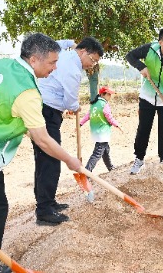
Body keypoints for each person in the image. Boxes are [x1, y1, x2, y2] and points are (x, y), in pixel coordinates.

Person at [0, 33, 82, 273]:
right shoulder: (27, 93)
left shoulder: (0, 65)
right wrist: (70, 159)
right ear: (33, 60)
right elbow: (42, 139)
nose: (55, 67)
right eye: (51, 62)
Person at [33, 36, 104, 225]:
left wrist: (71, 42)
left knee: (43, 159)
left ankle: (47, 202)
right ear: (83, 52)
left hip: (42, 107)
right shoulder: (73, 70)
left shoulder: (61, 53)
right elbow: (70, 101)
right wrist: (76, 107)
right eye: (93, 59)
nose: (92, 65)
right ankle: (45, 210)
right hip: (48, 111)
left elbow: (60, 42)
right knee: (50, 159)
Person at [126, 27, 163, 174]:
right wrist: (141, 66)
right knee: (143, 129)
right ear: (160, 42)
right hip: (147, 96)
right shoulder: (149, 49)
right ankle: (139, 159)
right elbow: (130, 56)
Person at [80, 86, 122, 172]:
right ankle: (86, 173)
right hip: (102, 132)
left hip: (96, 132)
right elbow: (109, 117)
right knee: (97, 153)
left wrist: (80, 124)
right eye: (109, 94)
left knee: (105, 150)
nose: (110, 96)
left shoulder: (93, 104)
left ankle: (110, 167)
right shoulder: (104, 104)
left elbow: (87, 116)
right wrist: (117, 125)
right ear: (103, 94)